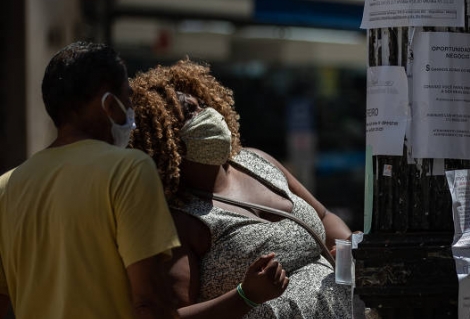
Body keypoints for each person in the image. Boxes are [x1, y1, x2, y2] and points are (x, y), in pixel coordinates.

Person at [129, 59, 358, 318]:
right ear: (165, 138)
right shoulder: (181, 219)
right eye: (189, 113)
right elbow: (175, 315)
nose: (206, 114)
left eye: (202, 104)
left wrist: (349, 245)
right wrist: (246, 295)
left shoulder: (257, 161)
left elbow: (324, 217)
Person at [0, 41, 182, 319]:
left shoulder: (6, 187)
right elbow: (149, 302)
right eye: (127, 99)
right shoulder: (129, 170)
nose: (131, 112)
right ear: (109, 103)